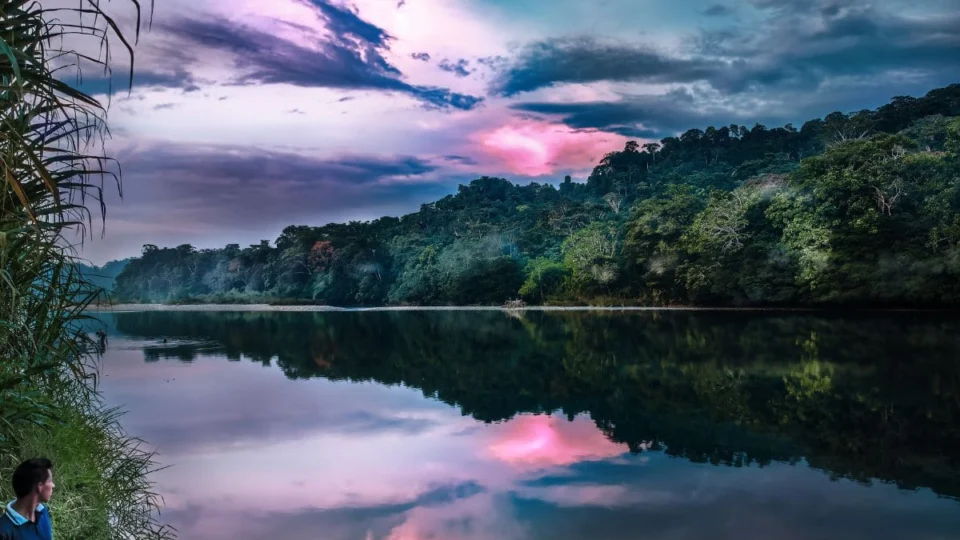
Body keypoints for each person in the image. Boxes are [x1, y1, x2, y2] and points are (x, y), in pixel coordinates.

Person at [0, 458, 55, 540]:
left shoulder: (43, 511)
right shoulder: (4, 531)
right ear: (39, 486)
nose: (53, 485)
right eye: (50, 480)